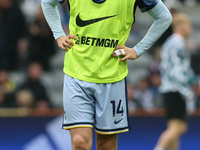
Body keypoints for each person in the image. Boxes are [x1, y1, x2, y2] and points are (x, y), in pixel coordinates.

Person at [41, 0, 172, 149]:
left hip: (112, 78)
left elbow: (164, 16)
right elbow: (47, 2)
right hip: (76, 74)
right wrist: (58, 34)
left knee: (106, 145)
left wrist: (138, 49)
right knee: (79, 142)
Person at [154, 13, 195, 150]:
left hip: (169, 88)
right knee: (180, 127)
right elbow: (176, 71)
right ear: (182, 26)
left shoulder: (170, 42)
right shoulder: (177, 44)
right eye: (189, 25)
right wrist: (187, 90)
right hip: (176, 89)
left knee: (174, 127)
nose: (191, 29)